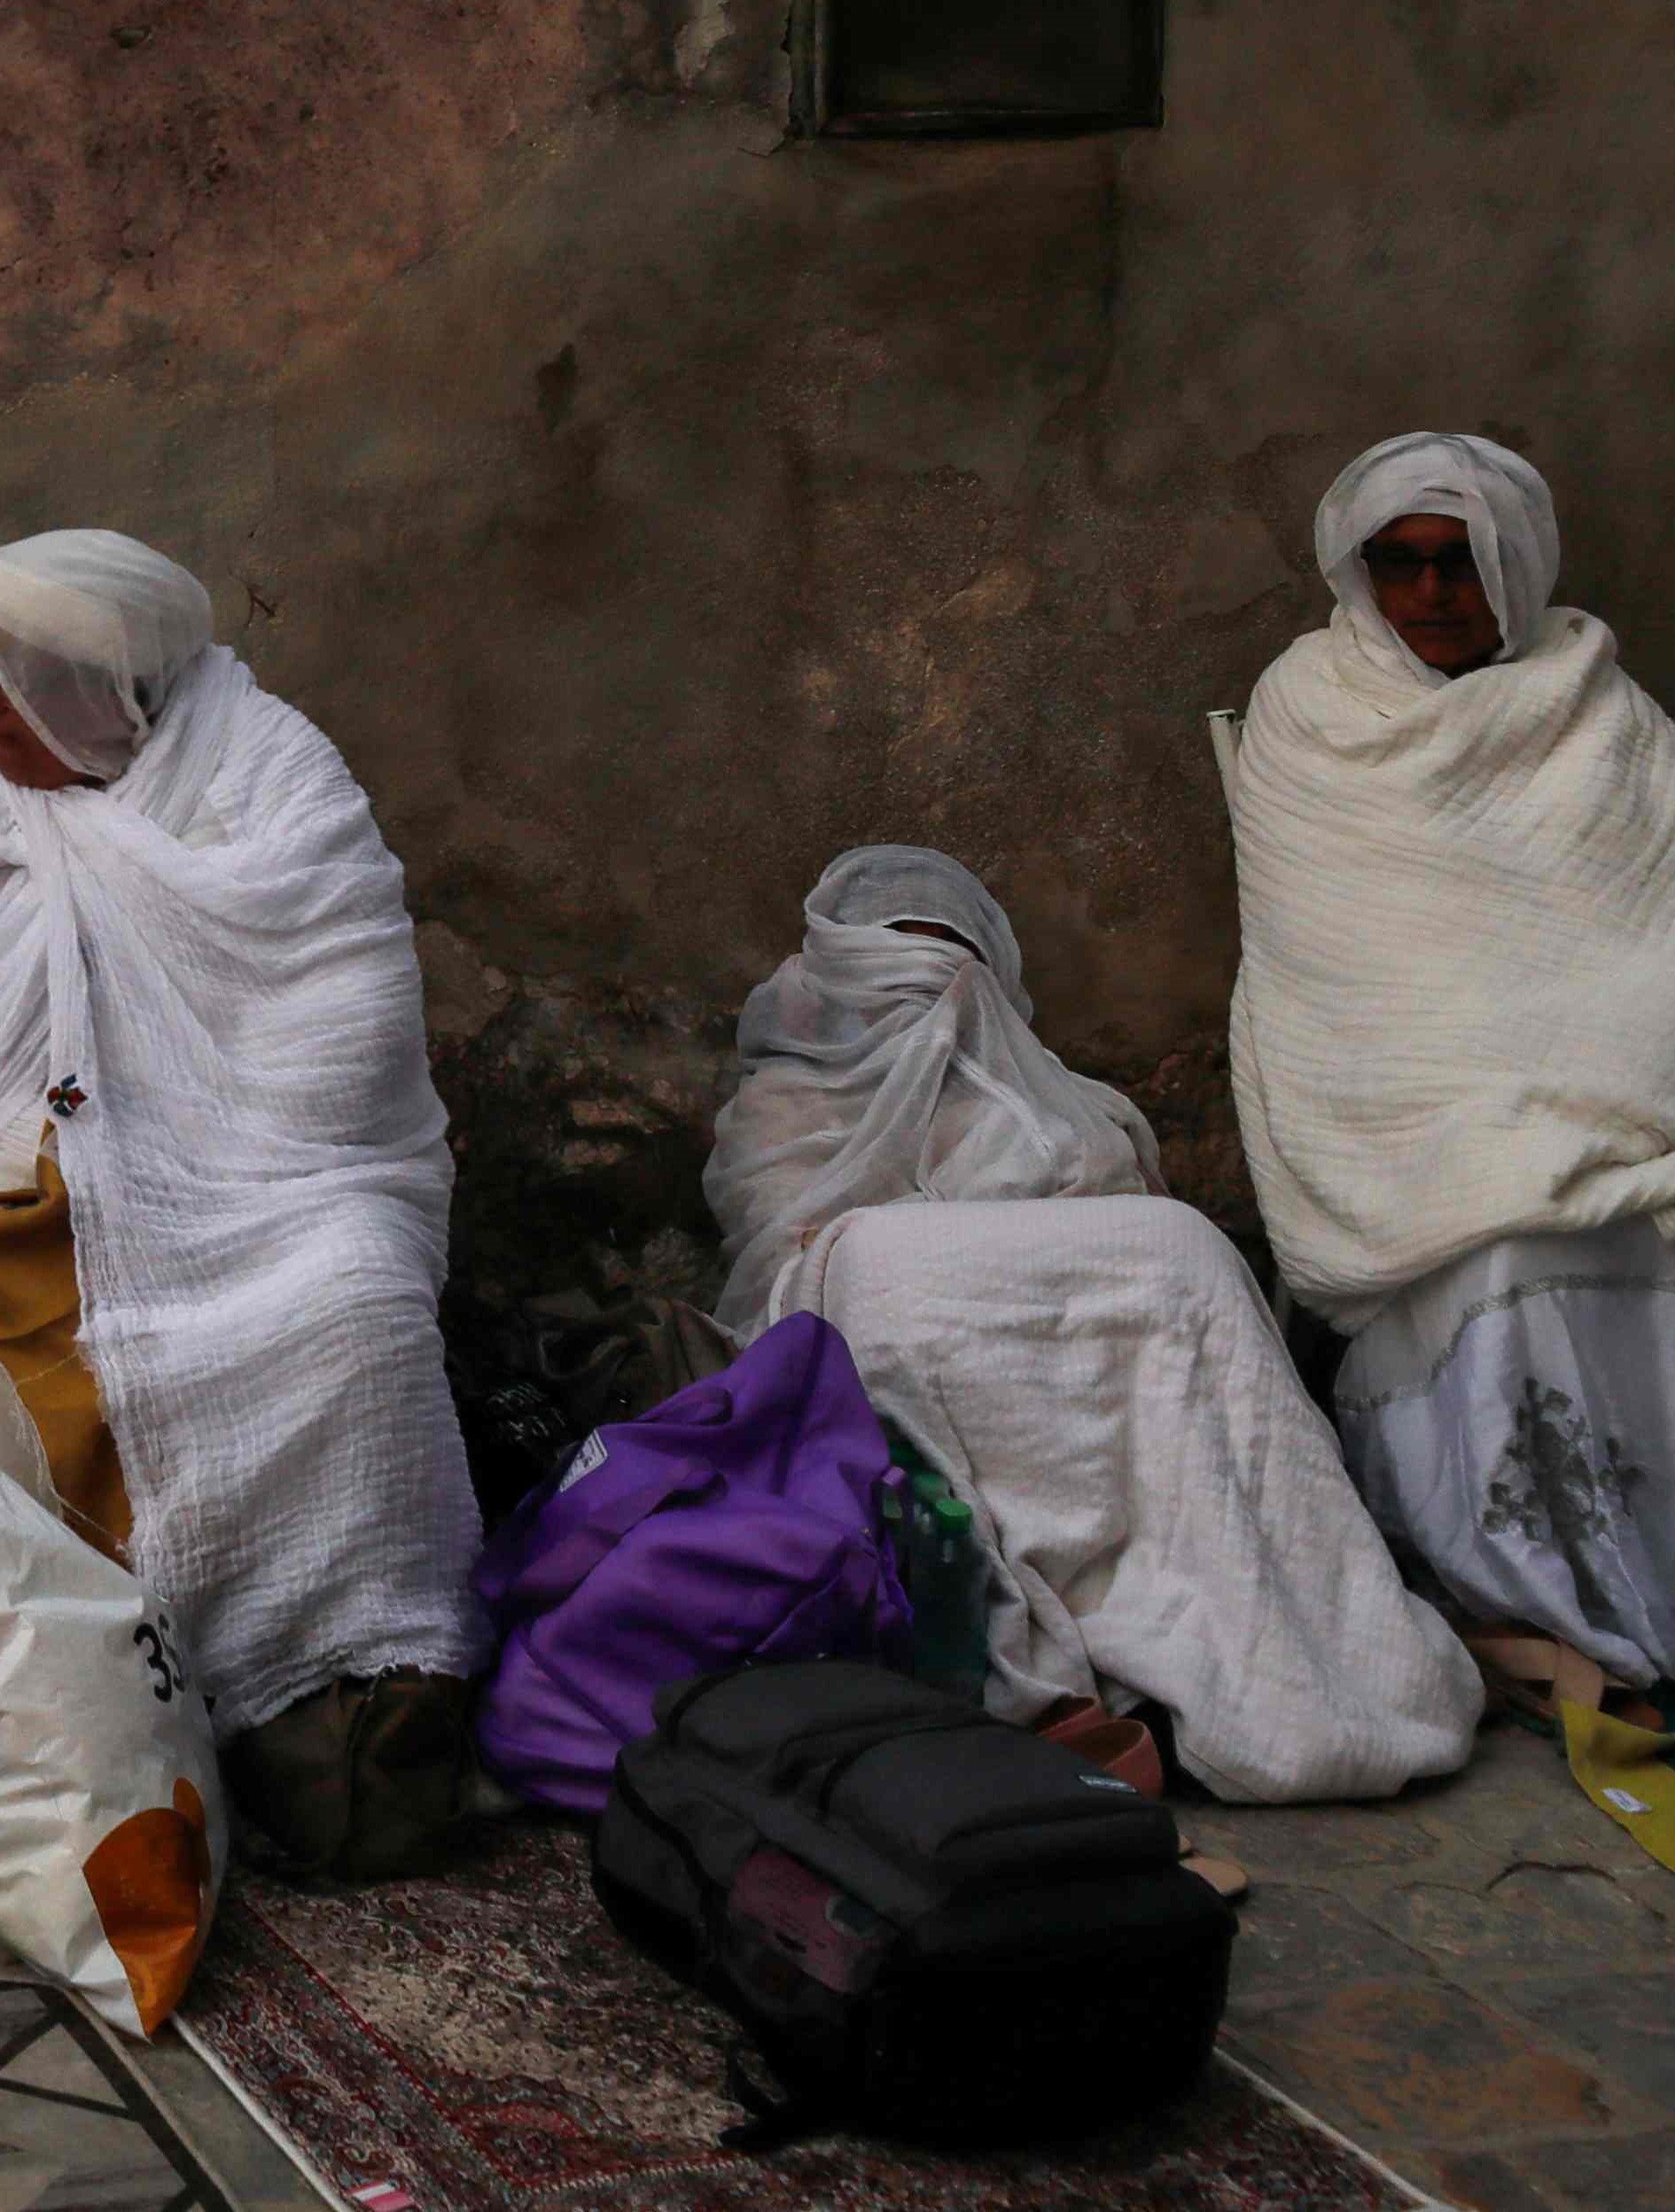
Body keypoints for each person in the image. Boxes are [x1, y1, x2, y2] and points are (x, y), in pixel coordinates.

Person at [0, 529, 485, 1879]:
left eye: (19, 680)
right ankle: (54, 1670)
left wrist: (193, 1158)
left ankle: (323, 1685)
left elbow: (342, 1021)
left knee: (354, 1300)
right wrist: (57, 1127)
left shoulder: (271, 770)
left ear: (117, 691)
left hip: (275, 1159)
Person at [708, 846, 1478, 1803]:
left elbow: (1133, 1221)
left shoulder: (1064, 1103)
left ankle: (1268, 1623)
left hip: (1095, 1356)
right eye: (895, 961)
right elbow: (797, 1251)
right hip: (932, 1347)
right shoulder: (784, 1103)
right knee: (874, 1262)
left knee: (1181, 1243)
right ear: (834, 971)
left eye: (951, 961)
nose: (931, 991)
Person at [1229, 431, 1675, 1688]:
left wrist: (1594, 1092)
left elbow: (1645, 935)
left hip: (1615, 1107)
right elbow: (1343, 970)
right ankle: (1534, 1590)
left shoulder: (1602, 707)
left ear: (1515, 566)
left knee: (1600, 1213)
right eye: (1398, 566)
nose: (1429, 597)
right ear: (1354, 573)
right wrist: (1505, 1113)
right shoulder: (1308, 709)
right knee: (1510, 1232)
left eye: (1460, 564)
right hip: (1411, 1112)